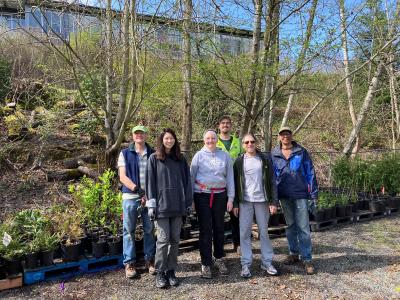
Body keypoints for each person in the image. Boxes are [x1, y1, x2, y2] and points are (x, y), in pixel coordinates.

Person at [146, 128, 193, 288]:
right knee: (163, 240)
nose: (169, 141)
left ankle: (171, 271)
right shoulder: (154, 158)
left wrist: (188, 203)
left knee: (174, 240)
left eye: (171, 138)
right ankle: (160, 272)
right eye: (166, 138)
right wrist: (151, 204)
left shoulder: (181, 159)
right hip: (161, 207)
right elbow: (150, 183)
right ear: (162, 140)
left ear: (175, 140)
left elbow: (188, 183)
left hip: (178, 206)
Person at [271, 127, 318, 275]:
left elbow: (310, 171)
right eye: (282, 134)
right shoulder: (274, 154)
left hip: (300, 194)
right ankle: (293, 253)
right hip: (284, 195)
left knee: (303, 227)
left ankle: (307, 258)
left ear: (291, 136)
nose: (285, 136)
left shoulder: (301, 152)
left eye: (287, 134)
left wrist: (314, 193)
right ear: (279, 137)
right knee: (290, 225)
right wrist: (273, 197)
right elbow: (271, 177)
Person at [233, 133, 279, 278]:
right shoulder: (239, 161)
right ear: (243, 145)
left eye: (252, 141)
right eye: (246, 142)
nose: (249, 144)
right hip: (245, 201)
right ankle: (246, 264)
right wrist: (235, 203)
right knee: (244, 233)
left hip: (262, 201)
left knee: (264, 233)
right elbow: (234, 184)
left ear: (256, 142)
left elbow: (272, 181)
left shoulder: (264, 159)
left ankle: (267, 262)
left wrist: (273, 202)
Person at [191, 129, 235, 279]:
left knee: (219, 228)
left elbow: (230, 178)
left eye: (213, 138)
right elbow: (191, 178)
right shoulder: (198, 156)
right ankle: (206, 262)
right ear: (204, 140)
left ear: (217, 140)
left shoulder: (225, 155)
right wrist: (191, 200)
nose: (210, 141)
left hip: (220, 196)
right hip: (202, 195)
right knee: (205, 229)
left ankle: (219, 257)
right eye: (207, 139)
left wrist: (231, 198)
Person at [118, 125, 156, 278]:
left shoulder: (153, 153)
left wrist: (148, 193)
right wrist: (137, 189)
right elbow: (122, 176)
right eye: (136, 133)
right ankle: (129, 263)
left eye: (142, 133)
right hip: (130, 197)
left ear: (146, 135)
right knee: (128, 231)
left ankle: (150, 260)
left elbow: (156, 175)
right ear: (133, 136)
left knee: (149, 229)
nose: (139, 135)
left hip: (149, 197)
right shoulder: (125, 153)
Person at [216, 115, 242, 254]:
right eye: (223, 123)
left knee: (235, 215)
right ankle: (219, 247)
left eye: (228, 123)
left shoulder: (238, 142)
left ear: (231, 126)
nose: (225, 125)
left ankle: (237, 243)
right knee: (219, 217)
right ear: (219, 126)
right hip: (219, 184)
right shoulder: (214, 142)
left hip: (236, 183)